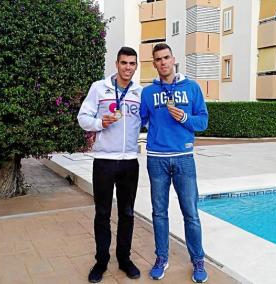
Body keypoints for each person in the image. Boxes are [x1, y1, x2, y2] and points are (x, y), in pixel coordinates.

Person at [140, 43, 209, 283]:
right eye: (158, 59)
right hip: (156, 160)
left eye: (166, 58)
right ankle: (161, 258)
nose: (163, 62)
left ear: (173, 59)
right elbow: (138, 122)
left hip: (184, 159)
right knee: (159, 213)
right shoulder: (148, 93)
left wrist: (185, 118)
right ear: (154, 63)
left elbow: (203, 122)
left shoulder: (192, 88)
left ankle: (198, 260)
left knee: (190, 213)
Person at [77, 47, 142, 283]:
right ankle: (101, 261)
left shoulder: (139, 92)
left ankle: (124, 259)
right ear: (117, 64)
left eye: (132, 63)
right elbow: (82, 118)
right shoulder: (99, 88)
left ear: (136, 66)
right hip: (104, 161)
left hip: (129, 163)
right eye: (124, 63)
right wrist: (99, 123)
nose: (127, 67)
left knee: (127, 213)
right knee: (102, 213)